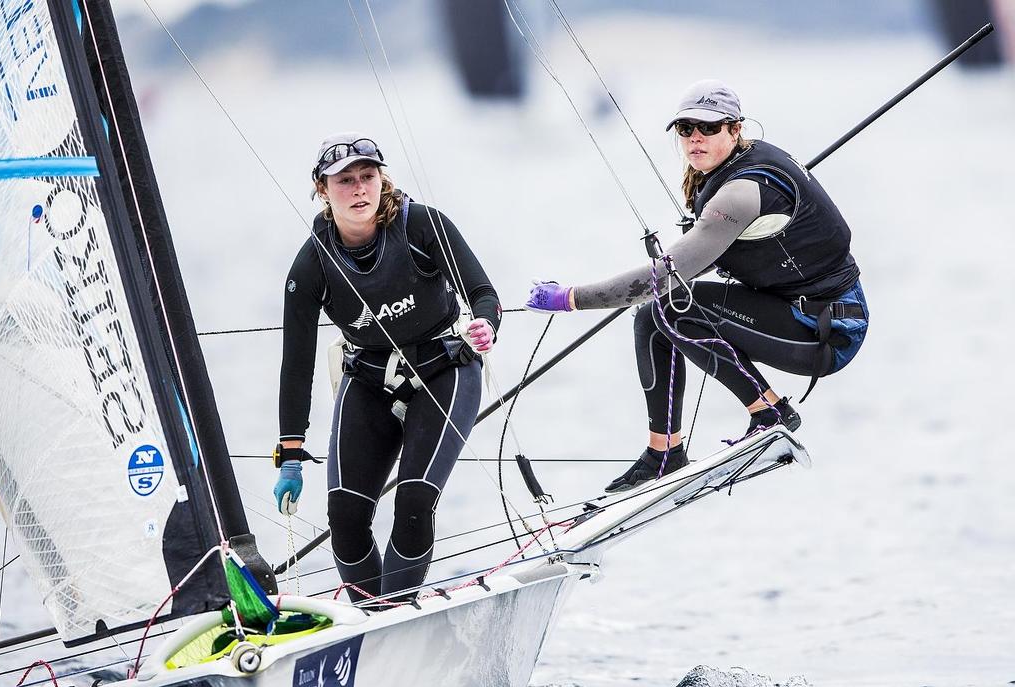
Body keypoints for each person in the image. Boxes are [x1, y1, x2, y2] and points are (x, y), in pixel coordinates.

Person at [526, 79, 869, 492]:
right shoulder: (729, 173)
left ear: (736, 129)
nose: (695, 138)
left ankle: (771, 413)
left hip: (827, 331)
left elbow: (658, 279)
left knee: (668, 306)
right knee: (652, 319)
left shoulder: (740, 194)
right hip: (787, 307)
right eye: (686, 129)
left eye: (708, 128)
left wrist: (569, 299)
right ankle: (664, 454)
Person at [273, 132, 501, 602]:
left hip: (445, 371)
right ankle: (372, 623)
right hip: (369, 380)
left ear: (381, 181)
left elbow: (483, 292)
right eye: (345, 181)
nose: (358, 189)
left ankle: (396, 613)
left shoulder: (422, 226)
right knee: (346, 516)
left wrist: (485, 324)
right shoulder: (310, 265)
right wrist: (291, 455)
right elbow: (295, 365)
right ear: (322, 189)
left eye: (367, 177)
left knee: (414, 502)